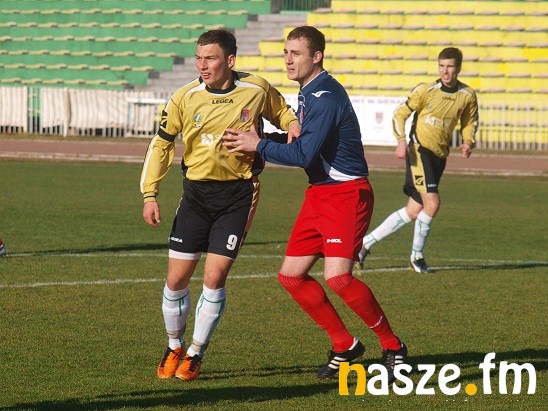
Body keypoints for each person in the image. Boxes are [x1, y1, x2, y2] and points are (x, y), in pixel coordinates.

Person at [223, 26, 406, 383]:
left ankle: (393, 346)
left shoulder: (324, 96)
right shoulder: (309, 92)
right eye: (286, 52)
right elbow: (304, 143)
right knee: (291, 277)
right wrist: (265, 137)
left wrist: (258, 145)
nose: (288, 60)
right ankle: (344, 344)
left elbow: (303, 154)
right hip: (320, 193)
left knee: (338, 279)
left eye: (296, 53)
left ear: (316, 56)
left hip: (346, 194)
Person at [140, 29, 299, 382]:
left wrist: (292, 125)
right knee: (175, 279)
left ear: (230, 60)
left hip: (237, 196)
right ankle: (174, 345)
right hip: (195, 196)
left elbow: (284, 113)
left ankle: (195, 352)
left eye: (210, 58)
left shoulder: (256, 89)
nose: (202, 65)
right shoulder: (183, 97)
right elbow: (162, 144)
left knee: (214, 278)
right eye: (198, 58)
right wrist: (150, 194)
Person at [358, 47, 479, 273]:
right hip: (419, 151)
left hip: (440, 155)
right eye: (441, 66)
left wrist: (468, 141)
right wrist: (401, 140)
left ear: (459, 68)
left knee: (414, 210)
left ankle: (364, 243)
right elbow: (400, 114)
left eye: (450, 66)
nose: (445, 71)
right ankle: (417, 256)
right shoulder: (426, 90)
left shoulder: (467, 95)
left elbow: (469, 121)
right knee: (432, 204)